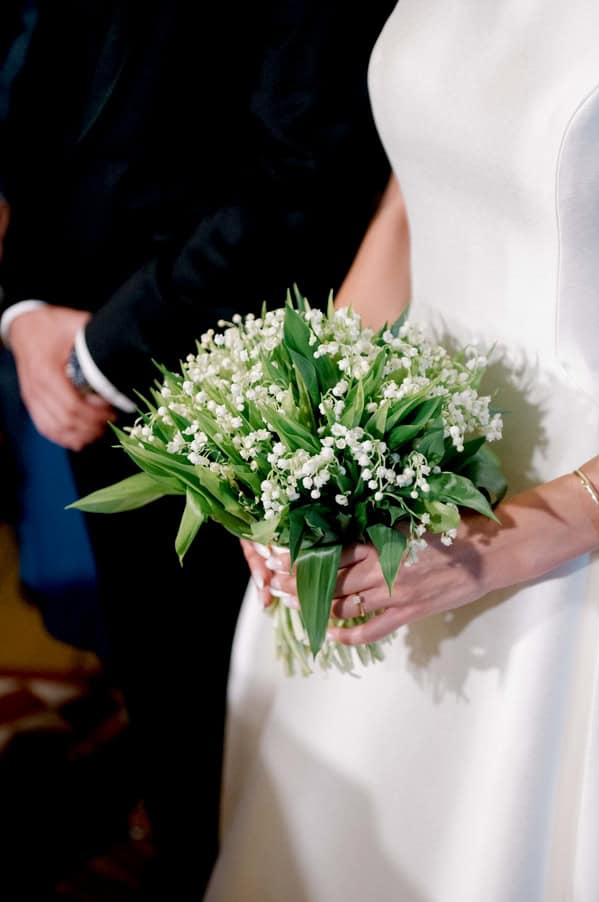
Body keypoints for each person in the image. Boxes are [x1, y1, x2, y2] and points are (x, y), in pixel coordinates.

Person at [205, 3, 599, 900]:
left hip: (563, 540)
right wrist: (295, 437)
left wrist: (507, 543)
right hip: (398, 459)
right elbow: (408, 210)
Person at [0, 1, 393, 895]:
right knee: (165, 693)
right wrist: (25, 313)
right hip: (71, 359)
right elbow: (41, 100)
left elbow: (312, 175)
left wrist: (106, 349)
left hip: (248, 372)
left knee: (250, 711)